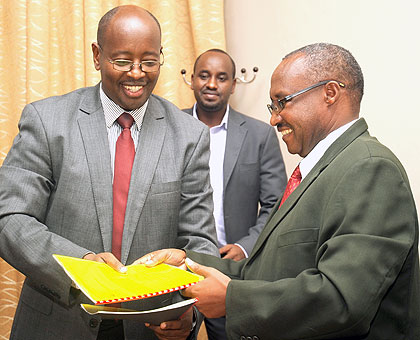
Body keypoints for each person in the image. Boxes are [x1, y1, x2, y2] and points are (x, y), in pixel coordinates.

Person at [138, 43, 420, 339]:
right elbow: (263, 274)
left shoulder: (370, 168)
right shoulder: (318, 170)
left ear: (330, 93)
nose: (274, 118)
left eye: (283, 101)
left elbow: (342, 301)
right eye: (273, 106)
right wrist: (186, 263)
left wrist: (232, 299)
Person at [0, 5, 218, 340]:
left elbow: (200, 241)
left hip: (147, 328)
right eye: (122, 61)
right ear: (97, 55)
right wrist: (83, 265)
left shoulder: (189, 136)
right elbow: (11, 219)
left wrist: (190, 315)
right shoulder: (47, 121)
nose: (137, 73)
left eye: (149, 60)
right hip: (56, 323)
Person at [183, 49, 286, 340]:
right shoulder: (167, 128)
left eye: (221, 77)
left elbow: (275, 205)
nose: (212, 84)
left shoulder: (259, 135)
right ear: (192, 80)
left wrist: (245, 247)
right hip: (178, 264)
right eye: (204, 75)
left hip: (231, 269)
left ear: (233, 85)